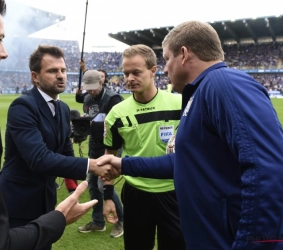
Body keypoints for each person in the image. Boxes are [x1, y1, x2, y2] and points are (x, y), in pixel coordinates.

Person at [97, 21, 283, 250]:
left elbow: (269, 168)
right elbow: (186, 162)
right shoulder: (201, 93)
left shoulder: (225, 84)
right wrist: (124, 164)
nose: (164, 69)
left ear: (183, 54)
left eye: (166, 59)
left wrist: (251, 244)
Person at [0, 1, 98, 249]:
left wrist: (85, 175)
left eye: (63, 70)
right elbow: (39, 158)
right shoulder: (23, 106)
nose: (61, 75)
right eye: (53, 70)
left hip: (47, 200)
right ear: (35, 76)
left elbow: (64, 150)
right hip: (17, 202)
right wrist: (91, 164)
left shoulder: (64, 108)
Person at [103, 44, 186, 250]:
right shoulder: (117, 113)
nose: (130, 78)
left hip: (174, 191)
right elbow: (109, 157)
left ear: (153, 71)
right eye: (126, 73)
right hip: (136, 194)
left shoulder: (180, 104)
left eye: (136, 72)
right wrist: (107, 197)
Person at [76, 70, 124, 238]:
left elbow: (117, 126)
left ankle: (121, 221)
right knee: (92, 185)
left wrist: (93, 127)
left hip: (110, 147)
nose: (90, 92)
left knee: (104, 184)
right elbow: (90, 121)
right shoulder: (88, 99)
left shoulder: (113, 98)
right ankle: (98, 222)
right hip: (94, 146)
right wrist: (80, 132)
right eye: (87, 88)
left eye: (93, 88)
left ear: (101, 83)